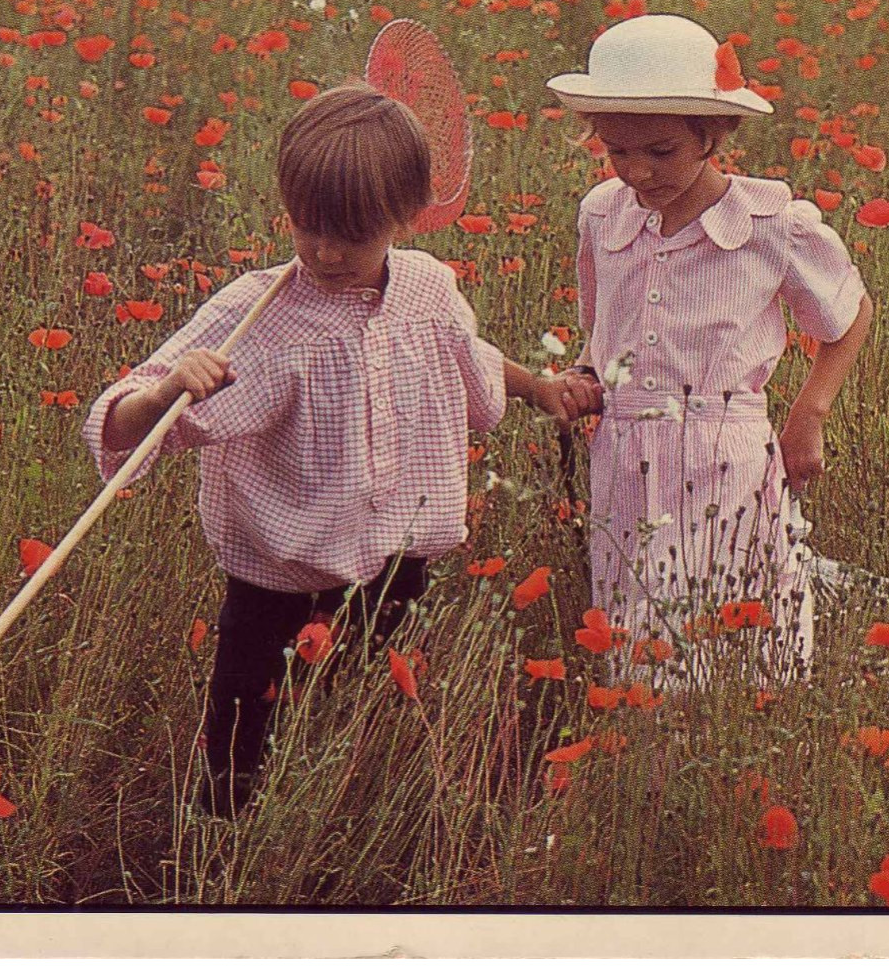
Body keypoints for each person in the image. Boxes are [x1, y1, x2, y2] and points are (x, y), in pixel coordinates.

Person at [83, 83, 581, 816]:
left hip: (396, 565)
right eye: (308, 226)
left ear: (405, 215)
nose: (324, 250)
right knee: (244, 738)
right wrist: (163, 394)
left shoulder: (430, 291)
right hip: (277, 580)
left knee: (364, 719)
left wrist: (539, 388)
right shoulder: (258, 312)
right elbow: (124, 425)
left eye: (351, 232)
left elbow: (467, 357)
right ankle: (223, 847)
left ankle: (342, 829)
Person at [543, 14, 873, 688]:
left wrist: (811, 411)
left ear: (715, 134)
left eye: (661, 151)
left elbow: (851, 312)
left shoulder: (768, 224)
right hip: (624, 464)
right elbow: (603, 338)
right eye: (618, 152)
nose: (638, 171)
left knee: (740, 634)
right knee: (638, 642)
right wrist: (585, 376)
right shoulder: (602, 214)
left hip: (727, 461)